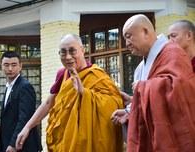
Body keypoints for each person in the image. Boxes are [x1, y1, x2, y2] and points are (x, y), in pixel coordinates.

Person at [15, 34, 124, 152]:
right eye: (63, 52)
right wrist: (27, 127)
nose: (67, 57)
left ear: (82, 50)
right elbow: (48, 103)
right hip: (65, 140)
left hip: (89, 141)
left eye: (72, 51)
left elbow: (114, 104)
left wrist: (84, 93)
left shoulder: (97, 75)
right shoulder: (63, 74)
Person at [122, 14, 195, 151]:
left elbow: (179, 90)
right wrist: (130, 108)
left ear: (145, 31)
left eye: (129, 36)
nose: (126, 43)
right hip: (151, 136)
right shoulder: (141, 66)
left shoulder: (173, 53)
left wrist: (142, 87)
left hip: (171, 138)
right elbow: (151, 101)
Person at [0, 51, 42, 152]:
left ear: (20, 66)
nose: (10, 69)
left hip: (23, 145)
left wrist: (13, 144)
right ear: (1, 66)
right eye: (6, 65)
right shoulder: (8, 87)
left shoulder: (25, 87)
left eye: (14, 65)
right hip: (7, 143)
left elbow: (25, 118)